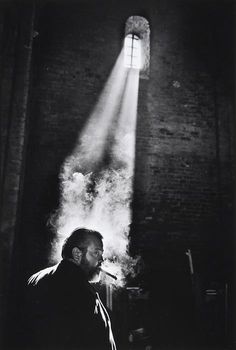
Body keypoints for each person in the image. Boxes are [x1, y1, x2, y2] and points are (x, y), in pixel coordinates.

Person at [22, 227, 117, 350]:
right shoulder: (80, 289)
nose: (101, 260)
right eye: (96, 253)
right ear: (77, 254)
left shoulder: (36, 277)